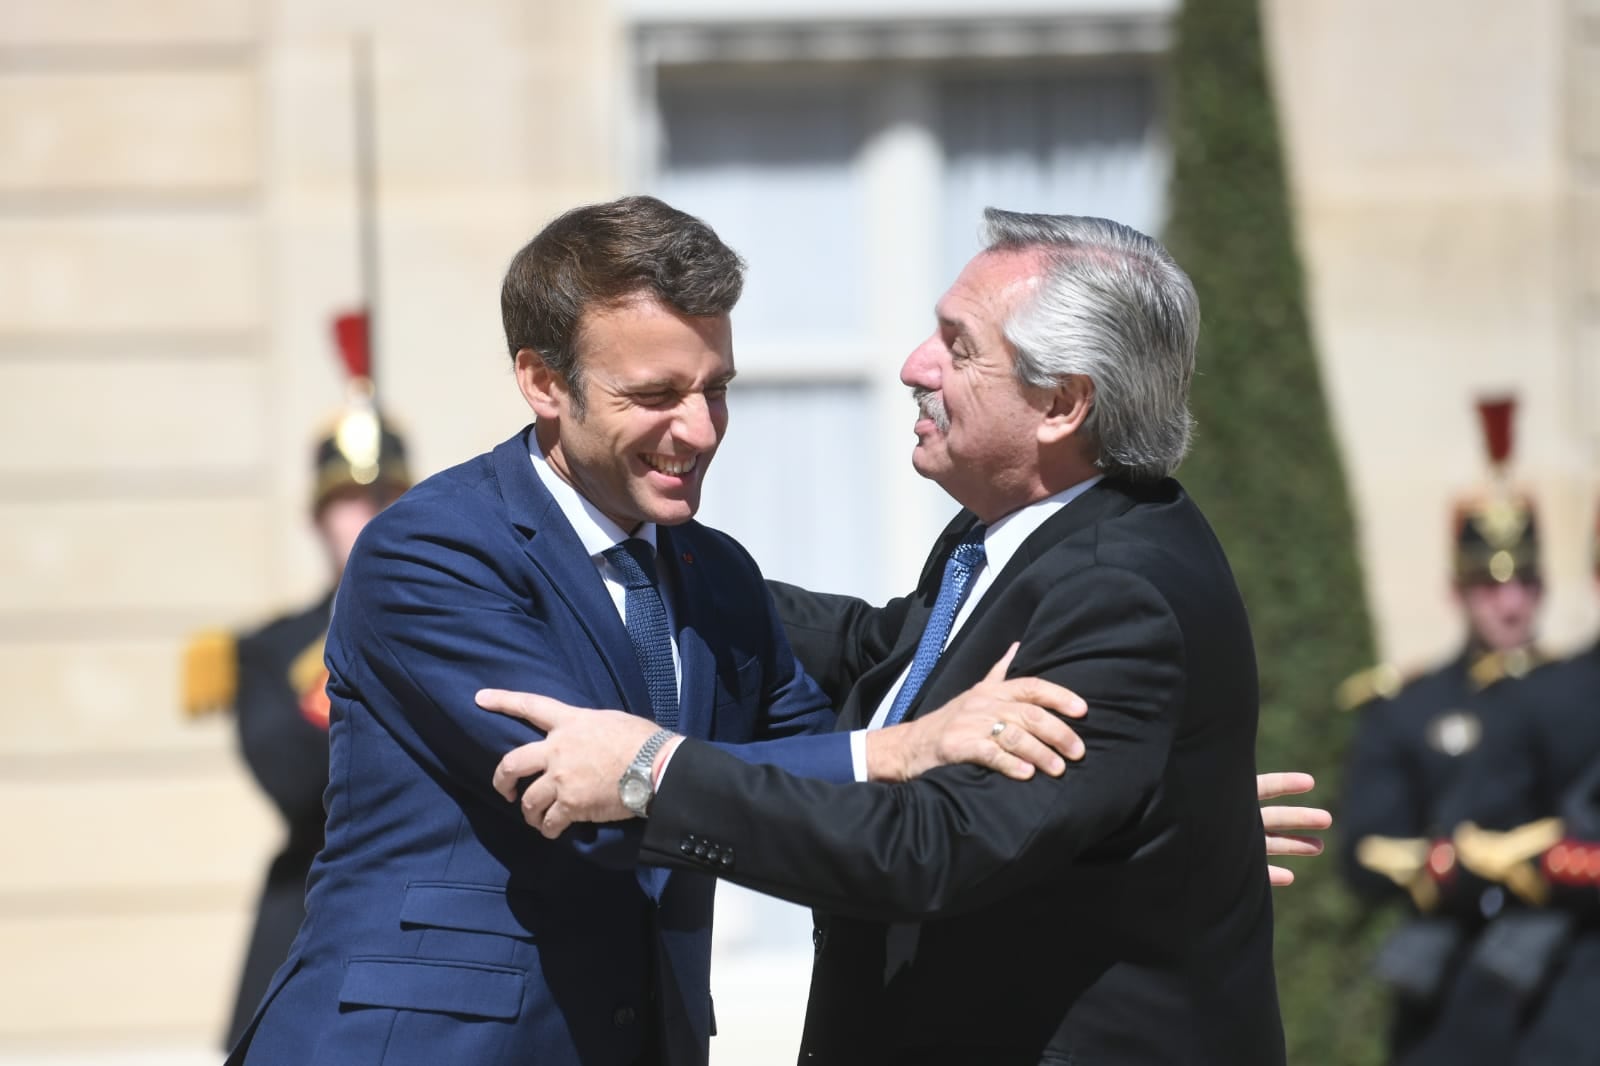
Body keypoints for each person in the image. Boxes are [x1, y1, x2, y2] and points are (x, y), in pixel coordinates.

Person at [224, 196, 1092, 1066]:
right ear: (543, 382)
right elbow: (583, 792)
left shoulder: (715, 576)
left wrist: (1171, 812)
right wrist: (897, 749)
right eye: (655, 395)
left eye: (716, 389)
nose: (700, 430)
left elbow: (821, 790)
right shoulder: (433, 550)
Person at [480, 210, 1297, 1065]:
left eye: (959, 344)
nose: (916, 366)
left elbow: (927, 846)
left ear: (1061, 403)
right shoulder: (1015, 536)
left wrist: (653, 774)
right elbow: (885, 655)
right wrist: (618, 567)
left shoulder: (1116, 592)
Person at [183, 379, 411, 1049]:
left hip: (425, 935)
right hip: (311, 925)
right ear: (318, 517)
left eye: (384, 496)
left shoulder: (457, 628)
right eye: (347, 500)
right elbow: (294, 777)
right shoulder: (270, 651)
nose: (365, 515)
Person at [1336, 397, 1547, 1063]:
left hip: (1563, 982)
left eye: (1525, 583)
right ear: (1457, 590)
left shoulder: (1574, 696)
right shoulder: (1411, 706)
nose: (1510, 602)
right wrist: (1449, 863)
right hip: (1450, 988)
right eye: (1489, 584)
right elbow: (1364, 852)